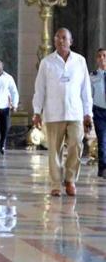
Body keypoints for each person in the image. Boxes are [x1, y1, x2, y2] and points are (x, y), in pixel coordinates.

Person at [32, 28, 93, 196]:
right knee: (54, 150)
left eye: (64, 38)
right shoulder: (47, 63)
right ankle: (55, 184)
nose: (60, 41)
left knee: (76, 145)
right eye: (57, 38)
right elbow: (40, 89)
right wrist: (37, 112)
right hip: (53, 114)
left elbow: (85, 89)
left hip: (75, 113)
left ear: (70, 41)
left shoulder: (80, 61)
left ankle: (71, 179)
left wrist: (88, 113)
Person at [0, 59, 19, 156]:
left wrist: (14, 105)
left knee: (5, 128)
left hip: (5, 107)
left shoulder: (8, 78)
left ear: (2, 66)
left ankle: (2, 144)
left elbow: (14, 91)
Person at [90, 48, 106, 178]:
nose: (102, 58)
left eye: (104, 56)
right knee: (102, 140)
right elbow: (89, 96)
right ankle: (103, 167)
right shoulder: (93, 76)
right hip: (99, 111)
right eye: (100, 56)